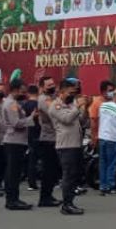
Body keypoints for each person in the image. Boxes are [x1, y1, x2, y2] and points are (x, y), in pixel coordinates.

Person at [49, 77, 89, 215]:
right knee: (68, 175)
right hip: (65, 145)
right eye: (70, 93)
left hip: (76, 144)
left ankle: (71, 202)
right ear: (62, 91)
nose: (72, 95)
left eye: (74, 93)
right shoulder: (56, 105)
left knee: (74, 175)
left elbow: (82, 121)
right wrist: (78, 106)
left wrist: (85, 107)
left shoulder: (72, 104)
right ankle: (66, 205)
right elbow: (66, 119)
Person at [0, 79, 33, 211]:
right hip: (14, 140)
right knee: (13, 172)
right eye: (22, 91)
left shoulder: (12, 103)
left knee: (14, 171)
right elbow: (16, 123)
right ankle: (12, 200)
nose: (23, 93)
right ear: (15, 90)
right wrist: (31, 119)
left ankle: (14, 198)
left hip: (15, 140)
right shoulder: (11, 104)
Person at [36, 76, 62, 208]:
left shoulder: (53, 98)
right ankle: (45, 198)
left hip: (55, 138)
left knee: (53, 170)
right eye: (48, 85)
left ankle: (49, 195)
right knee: (48, 170)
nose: (52, 86)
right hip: (48, 138)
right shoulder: (43, 100)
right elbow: (54, 113)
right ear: (42, 87)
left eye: (53, 84)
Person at [97, 87, 116, 195]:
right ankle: (110, 186)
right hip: (113, 139)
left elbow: (99, 119)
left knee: (103, 163)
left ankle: (102, 186)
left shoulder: (103, 106)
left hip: (102, 138)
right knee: (112, 164)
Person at [23, 85, 41, 190]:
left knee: (32, 159)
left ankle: (31, 183)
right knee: (46, 158)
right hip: (41, 133)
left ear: (28, 93)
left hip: (30, 133)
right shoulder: (39, 104)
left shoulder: (25, 105)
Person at [89, 80, 113, 146]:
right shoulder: (96, 103)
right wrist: (93, 138)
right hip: (101, 139)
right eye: (110, 91)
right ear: (103, 92)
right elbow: (93, 122)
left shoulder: (113, 103)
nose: (112, 93)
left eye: (112, 91)